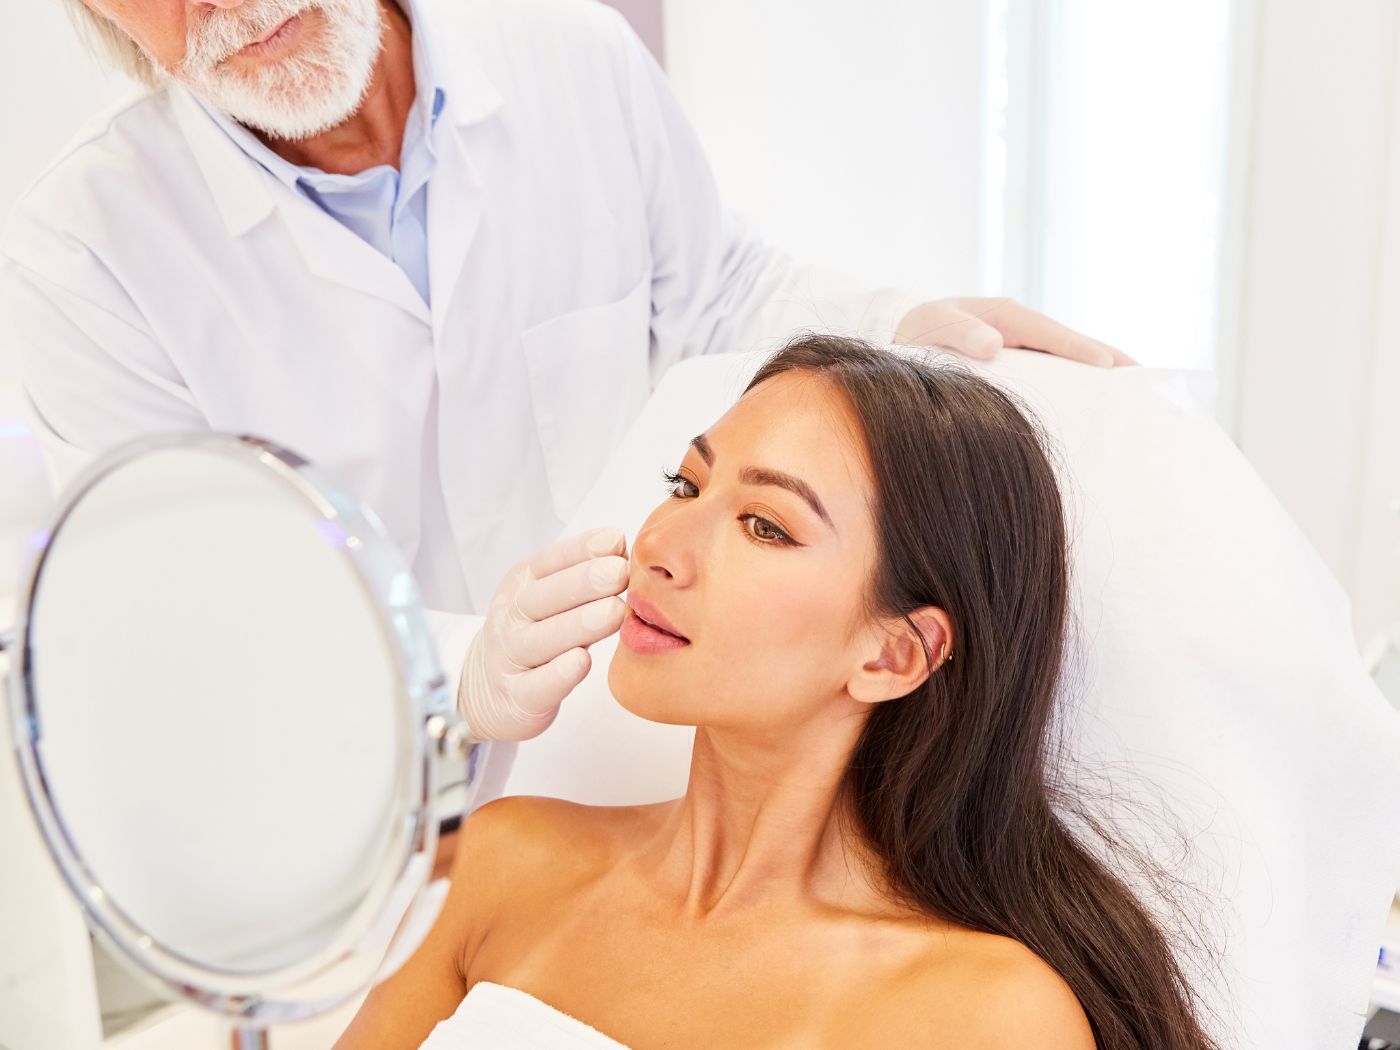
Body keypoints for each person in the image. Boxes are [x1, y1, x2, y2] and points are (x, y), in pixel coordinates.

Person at [0, 0, 1131, 751]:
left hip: (631, 736)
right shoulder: (86, 244)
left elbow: (714, 292)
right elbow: (200, 595)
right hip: (362, 803)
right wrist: (460, 668)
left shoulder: (559, 49)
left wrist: (892, 324)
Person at [332, 336, 1217, 1050]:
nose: (662, 545)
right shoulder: (499, 862)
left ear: (896, 655)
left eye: (765, 525)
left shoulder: (985, 1017)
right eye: (685, 483)